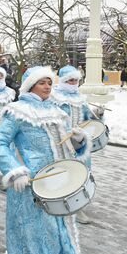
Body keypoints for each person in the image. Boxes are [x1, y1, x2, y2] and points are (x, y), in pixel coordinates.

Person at [0, 66, 91, 254]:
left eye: (49, 82)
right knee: (40, 232)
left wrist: (78, 142)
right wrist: (15, 171)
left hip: (58, 182)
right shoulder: (17, 112)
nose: (47, 86)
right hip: (31, 184)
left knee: (59, 229)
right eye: (42, 82)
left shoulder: (55, 111)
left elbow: (65, 144)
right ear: (29, 86)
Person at [50, 65, 102, 224]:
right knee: (63, 174)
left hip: (79, 143)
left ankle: (78, 208)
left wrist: (98, 114)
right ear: (64, 80)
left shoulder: (81, 98)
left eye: (76, 80)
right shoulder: (53, 98)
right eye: (70, 80)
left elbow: (89, 119)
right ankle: (59, 203)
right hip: (60, 142)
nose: (73, 83)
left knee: (81, 174)